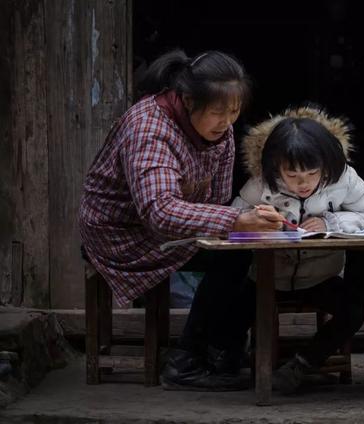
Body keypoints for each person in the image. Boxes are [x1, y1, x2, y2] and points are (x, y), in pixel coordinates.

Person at [78, 49, 284, 391]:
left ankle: (221, 349)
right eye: (218, 112)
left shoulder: (222, 131)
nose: (227, 122)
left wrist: (246, 221)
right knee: (230, 255)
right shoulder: (149, 127)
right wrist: (234, 220)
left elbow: (217, 201)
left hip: (175, 226)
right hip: (121, 233)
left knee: (249, 251)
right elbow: (159, 211)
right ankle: (185, 361)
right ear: (188, 101)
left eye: (233, 112)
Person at [231, 106, 364, 394]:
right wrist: (259, 223)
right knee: (230, 307)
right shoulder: (261, 183)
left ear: (326, 165)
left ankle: (303, 363)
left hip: (320, 277)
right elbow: (234, 219)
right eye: (293, 175)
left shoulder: (345, 179)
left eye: (312, 174)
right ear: (276, 166)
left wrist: (330, 220)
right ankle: (235, 361)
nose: (304, 183)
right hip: (268, 277)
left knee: (355, 309)